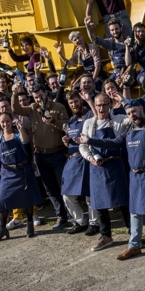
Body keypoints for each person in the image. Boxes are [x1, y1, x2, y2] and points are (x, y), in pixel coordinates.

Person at [80, 100, 145, 261]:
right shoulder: (129, 128)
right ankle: (134, 246)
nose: (132, 115)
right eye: (129, 113)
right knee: (135, 212)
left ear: (142, 109)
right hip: (135, 176)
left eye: (134, 111)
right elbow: (114, 143)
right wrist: (89, 140)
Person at [11, 83, 70, 229]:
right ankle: (61, 216)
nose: (39, 99)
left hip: (57, 153)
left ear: (46, 93)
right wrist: (14, 93)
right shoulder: (32, 109)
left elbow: (67, 126)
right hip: (40, 155)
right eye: (36, 97)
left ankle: (72, 215)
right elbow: (15, 109)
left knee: (64, 186)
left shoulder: (58, 107)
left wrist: (53, 121)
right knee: (50, 188)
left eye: (40, 96)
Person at [79, 93, 131, 251]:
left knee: (123, 203)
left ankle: (134, 233)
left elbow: (134, 115)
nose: (101, 108)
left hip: (115, 165)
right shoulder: (89, 123)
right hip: (97, 168)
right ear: (94, 105)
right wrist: (90, 157)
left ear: (110, 105)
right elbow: (83, 145)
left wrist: (124, 101)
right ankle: (106, 235)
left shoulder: (119, 120)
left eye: (105, 105)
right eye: (98, 105)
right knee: (100, 204)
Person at [0, 112, 43, 241]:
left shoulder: (18, 134)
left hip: (23, 170)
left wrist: (21, 130)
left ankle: (30, 225)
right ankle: (2, 229)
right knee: (2, 201)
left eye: (7, 121)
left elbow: (26, 141)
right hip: (7, 173)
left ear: (12, 121)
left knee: (27, 199)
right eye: (2, 122)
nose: (5, 124)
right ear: (0, 124)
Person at [60, 91, 96, 235]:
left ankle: (95, 223)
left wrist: (89, 101)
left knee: (89, 194)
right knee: (67, 195)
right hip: (73, 159)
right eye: (71, 103)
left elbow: (97, 118)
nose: (74, 105)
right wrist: (66, 142)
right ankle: (81, 221)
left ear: (80, 101)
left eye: (76, 101)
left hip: (86, 158)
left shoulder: (88, 114)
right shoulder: (71, 120)